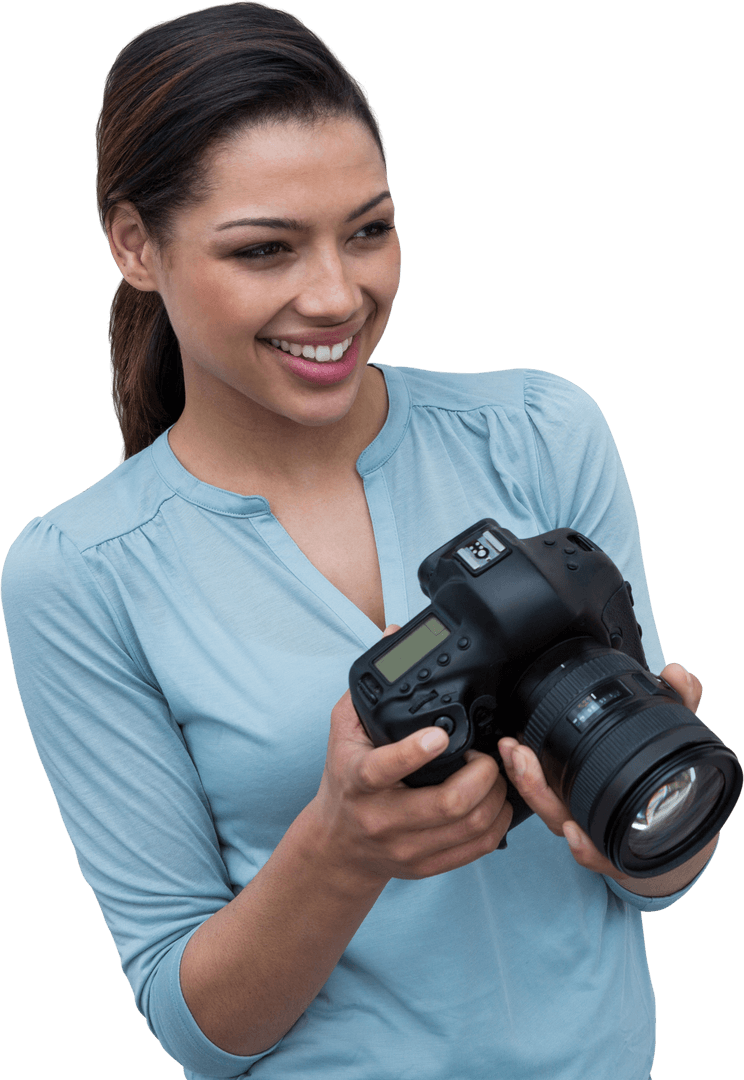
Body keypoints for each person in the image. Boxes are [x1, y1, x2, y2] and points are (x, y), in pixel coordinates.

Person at [0, 4, 722, 1078]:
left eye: (371, 229)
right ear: (134, 244)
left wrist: (646, 821)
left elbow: (656, 856)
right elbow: (193, 1027)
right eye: (264, 249)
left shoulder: (540, 433)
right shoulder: (80, 572)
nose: (337, 294)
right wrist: (339, 851)